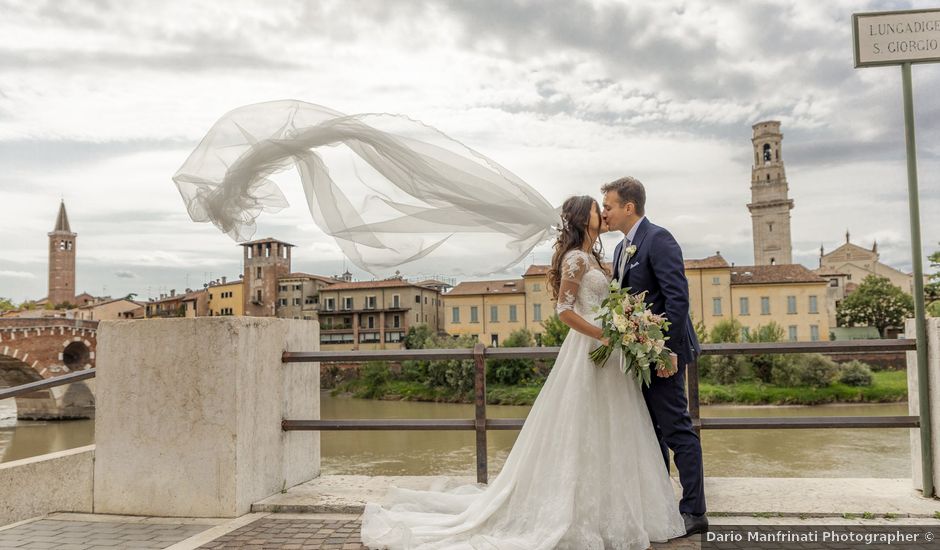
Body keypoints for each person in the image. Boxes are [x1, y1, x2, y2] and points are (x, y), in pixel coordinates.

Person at [360, 195, 686, 549]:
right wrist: (605, 333)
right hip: (590, 350)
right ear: (583, 217)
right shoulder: (576, 258)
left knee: (613, 428)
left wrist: (625, 328)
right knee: (584, 428)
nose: (603, 212)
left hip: (610, 354)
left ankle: (616, 510)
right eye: (597, 208)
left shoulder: (595, 257)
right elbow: (564, 311)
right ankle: (576, 511)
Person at [602, 176, 708, 536]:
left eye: (609, 206)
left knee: (677, 429)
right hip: (638, 355)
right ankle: (660, 507)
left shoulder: (658, 239)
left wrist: (669, 352)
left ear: (628, 207)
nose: (605, 213)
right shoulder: (620, 250)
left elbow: (677, 299)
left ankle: (694, 512)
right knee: (650, 434)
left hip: (662, 354)